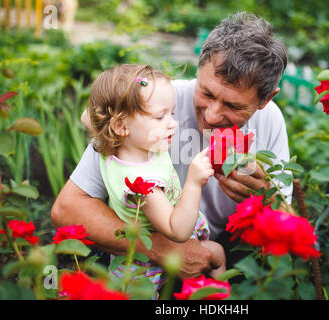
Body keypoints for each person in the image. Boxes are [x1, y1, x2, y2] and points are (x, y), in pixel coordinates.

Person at [51, 11, 293, 280]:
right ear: (198, 67)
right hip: (140, 265)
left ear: (265, 99)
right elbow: (67, 209)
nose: (212, 116)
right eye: (207, 93)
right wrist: (160, 248)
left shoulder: (270, 121)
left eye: (233, 106)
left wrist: (268, 197)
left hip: (215, 257)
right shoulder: (151, 106)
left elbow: (289, 228)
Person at [82, 64, 226, 297]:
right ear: (121, 126)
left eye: (172, 113)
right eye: (160, 117)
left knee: (216, 251)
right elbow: (177, 231)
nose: (172, 123)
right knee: (217, 256)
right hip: (146, 266)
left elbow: (88, 117)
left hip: (150, 243)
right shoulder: (143, 185)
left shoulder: (117, 146)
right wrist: (194, 181)